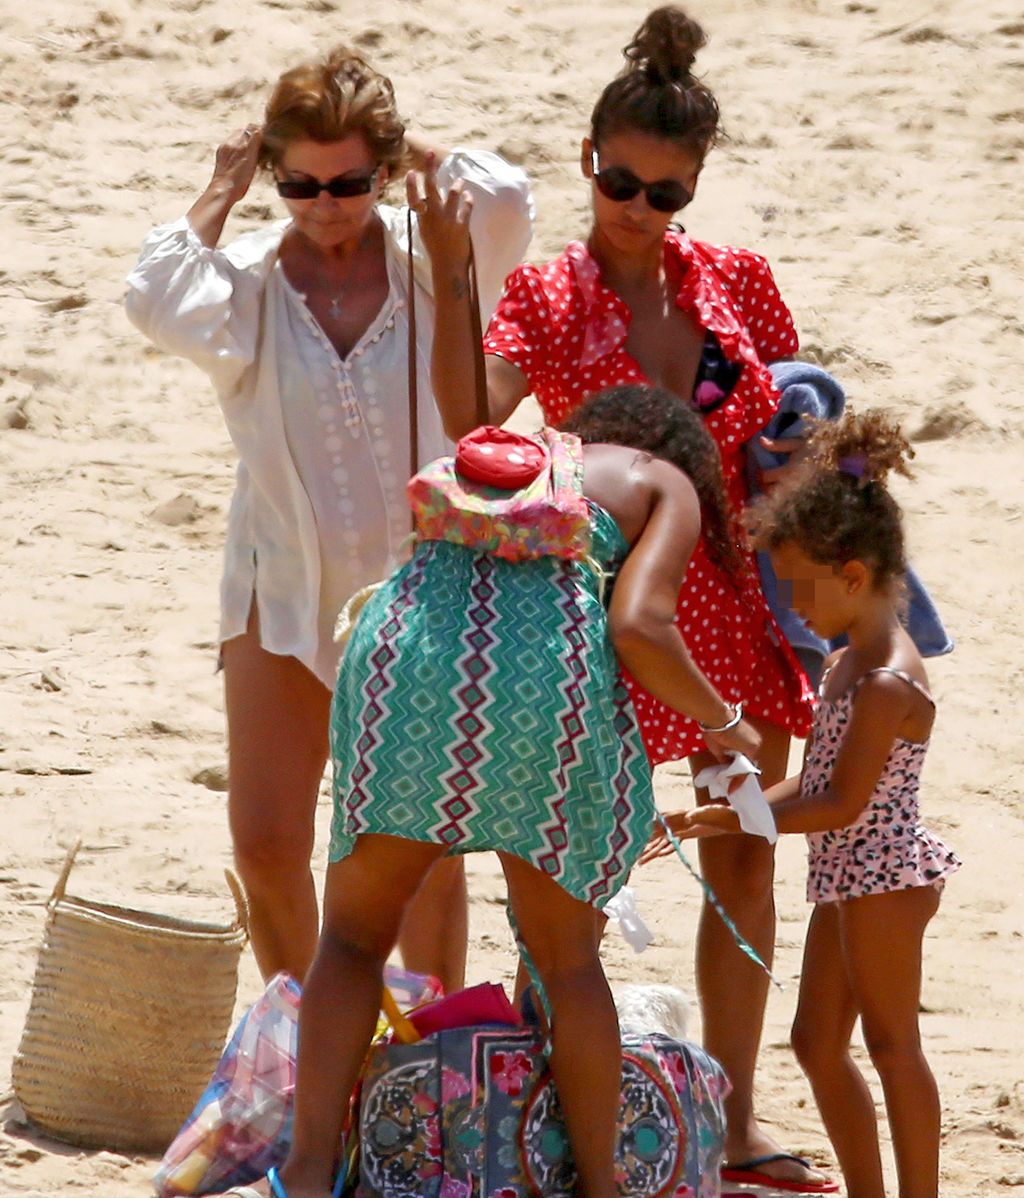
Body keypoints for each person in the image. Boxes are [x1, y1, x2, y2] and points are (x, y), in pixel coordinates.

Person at [423, 5, 822, 1187]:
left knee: (745, 852)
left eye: (665, 193)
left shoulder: (738, 284)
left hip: (726, 603)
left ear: (693, 188)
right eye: (621, 182)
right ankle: (572, 1109)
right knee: (577, 874)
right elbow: (470, 430)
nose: (638, 210)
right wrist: (454, 283)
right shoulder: (545, 295)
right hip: (597, 616)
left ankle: (736, 1117)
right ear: (588, 161)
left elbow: (794, 430)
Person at [244, 378, 760, 1198]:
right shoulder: (662, 484)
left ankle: (307, 1174)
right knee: (567, 964)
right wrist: (725, 721)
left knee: (350, 939)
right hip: (541, 686)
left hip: (402, 660)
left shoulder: (520, 463)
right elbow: (638, 627)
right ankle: (601, 1185)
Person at [124, 45, 533, 990]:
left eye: (349, 179)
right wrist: (222, 190)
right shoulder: (251, 285)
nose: (326, 202)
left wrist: (403, 149)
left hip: (425, 597)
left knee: (417, 858)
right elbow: (156, 298)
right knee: (267, 842)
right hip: (282, 587)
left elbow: (505, 193)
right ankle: (307, 1049)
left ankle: (433, 1062)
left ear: (383, 170)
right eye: (299, 183)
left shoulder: (434, 258)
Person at [645, 410, 961, 1198]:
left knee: (893, 1047)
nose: (794, 607)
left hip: (885, 878)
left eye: (799, 589)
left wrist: (742, 815)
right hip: (849, 877)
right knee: (818, 1044)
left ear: (853, 577)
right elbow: (814, 779)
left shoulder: (887, 680)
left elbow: (841, 801)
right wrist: (723, 807)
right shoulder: (851, 658)